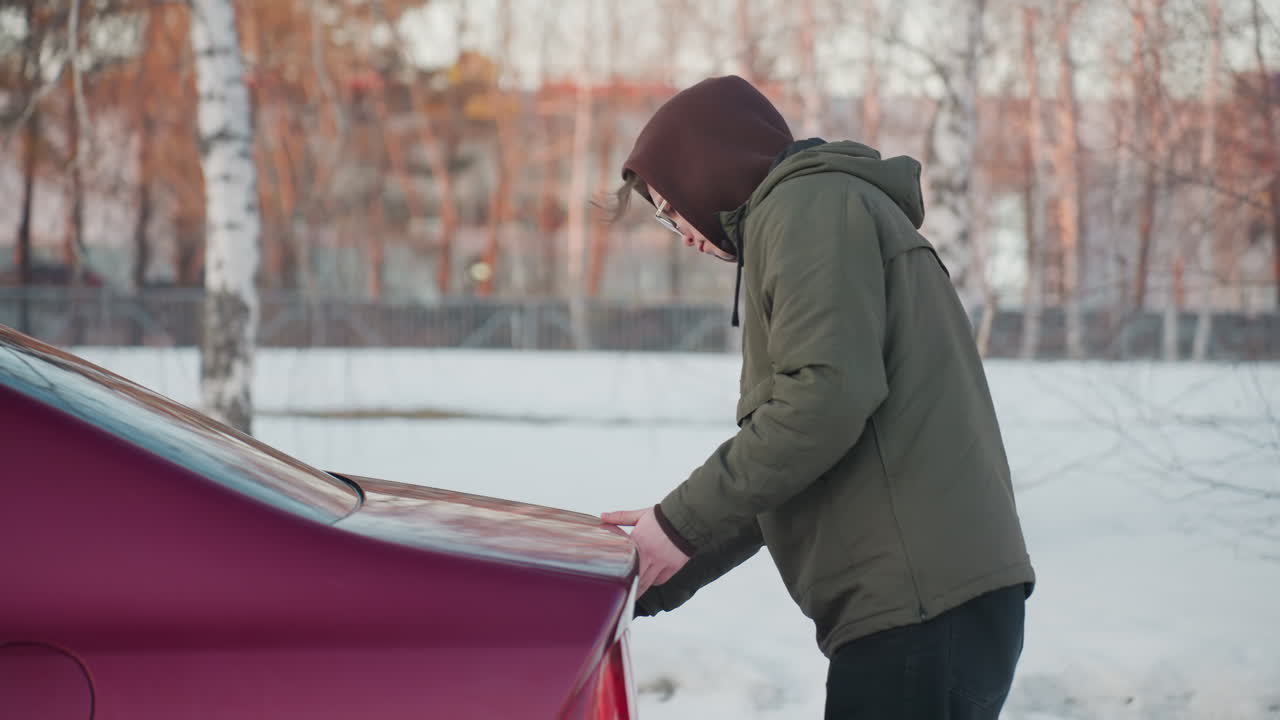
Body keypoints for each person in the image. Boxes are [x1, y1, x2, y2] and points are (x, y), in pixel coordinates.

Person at [600, 75, 1035, 720]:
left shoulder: (808, 207)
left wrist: (678, 525)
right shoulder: (814, 213)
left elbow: (822, 403)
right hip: (924, 607)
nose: (679, 231)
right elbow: (792, 461)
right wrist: (654, 564)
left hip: (919, 607)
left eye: (669, 206)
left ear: (706, 167)